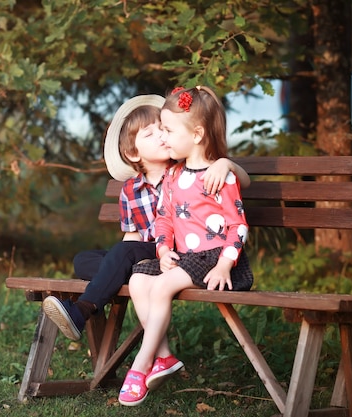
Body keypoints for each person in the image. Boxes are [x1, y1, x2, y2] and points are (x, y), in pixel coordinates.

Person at [42, 94, 251, 343]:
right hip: (146, 251)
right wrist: (120, 257)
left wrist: (225, 163)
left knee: (121, 257)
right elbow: (132, 237)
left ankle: (83, 309)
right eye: (150, 134)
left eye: (163, 130)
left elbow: (242, 183)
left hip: (177, 251)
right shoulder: (130, 190)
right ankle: (120, 271)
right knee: (83, 260)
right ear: (133, 153)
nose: (162, 137)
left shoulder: (184, 170)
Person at [118, 86, 254, 406]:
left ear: (197, 134)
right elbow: (163, 219)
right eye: (161, 130)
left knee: (162, 286)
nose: (163, 137)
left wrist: (224, 264)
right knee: (138, 279)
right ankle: (163, 358)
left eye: (167, 130)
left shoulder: (220, 175)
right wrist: (164, 250)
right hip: (183, 257)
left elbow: (239, 226)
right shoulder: (173, 174)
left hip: (215, 259)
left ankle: (140, 366)